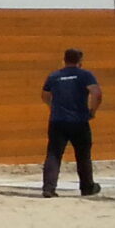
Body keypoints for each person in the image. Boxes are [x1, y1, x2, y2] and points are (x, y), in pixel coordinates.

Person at [41, 47, 102, 197]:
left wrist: (52, 107)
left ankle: (49, 188)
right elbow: (96, 93)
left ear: (64, 60)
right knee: (83, 155)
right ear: (80, 61)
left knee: (54, 154)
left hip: (58, 121)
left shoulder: (54, 76)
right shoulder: (85, 75)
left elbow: (45, 95)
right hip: (79, 120)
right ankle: (87, 187)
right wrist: (92, 111)